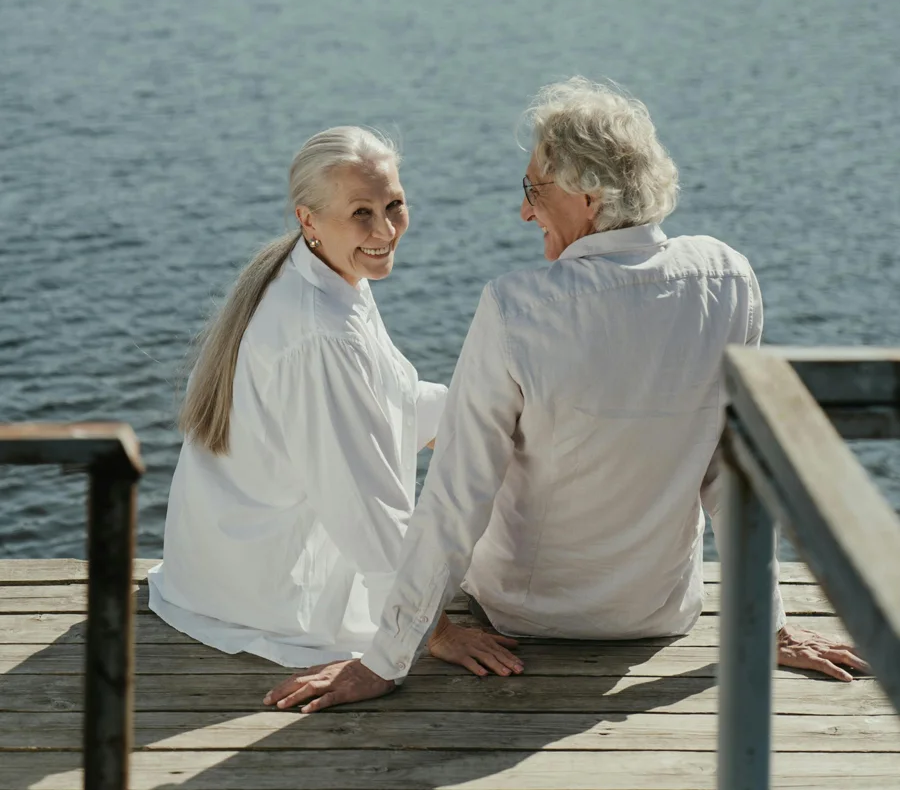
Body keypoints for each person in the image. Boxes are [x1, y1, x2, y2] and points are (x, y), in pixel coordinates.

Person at [264, 79, 869, 711]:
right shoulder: (729, 279)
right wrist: (763, 624)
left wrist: (385, 660)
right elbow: (735, 471)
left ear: (587, 195)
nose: (525, 212)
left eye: (533, 190)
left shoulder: (516, 307)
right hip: (657, 612)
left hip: (525, 616)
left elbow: (455, 497)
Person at [148, 126, 518, 671]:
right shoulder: (321, 333)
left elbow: (386, 398)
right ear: (308, 219)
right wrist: (430, 630)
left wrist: (503, 411)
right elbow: (366, 504)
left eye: (394, 205)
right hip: (265, 594)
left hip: (215, 569)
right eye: (362, 213)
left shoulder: (322, 274)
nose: (386, 229)